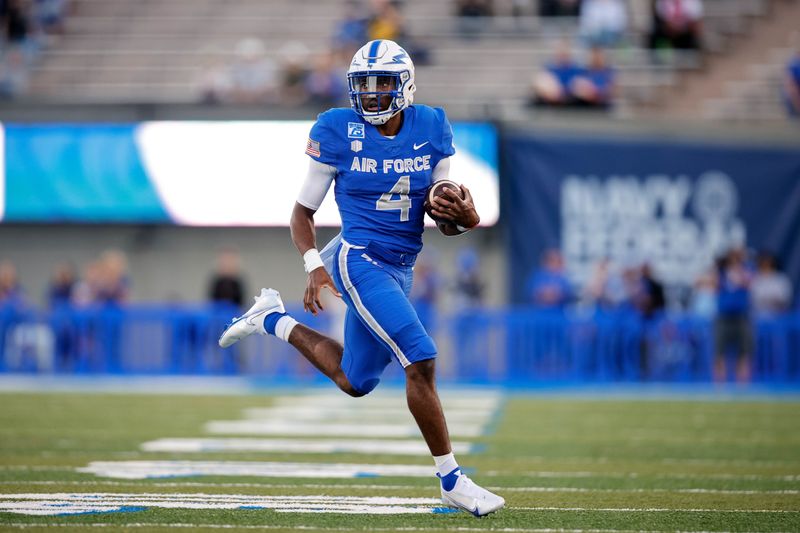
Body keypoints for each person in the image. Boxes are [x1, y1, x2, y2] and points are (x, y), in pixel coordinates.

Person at [218, 39, 504, 517]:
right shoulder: (336, 129)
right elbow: (300, 214)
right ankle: (452, 479)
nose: (371, 95)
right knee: (422, 359)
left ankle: (272, 321)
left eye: (382, 84)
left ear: (405, 85)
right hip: (357, 258)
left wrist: (467, 218)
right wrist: (313, 265)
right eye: (364, 85)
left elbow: (443, 216)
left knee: (356, 379)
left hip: (400, 264)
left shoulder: (432, 126)